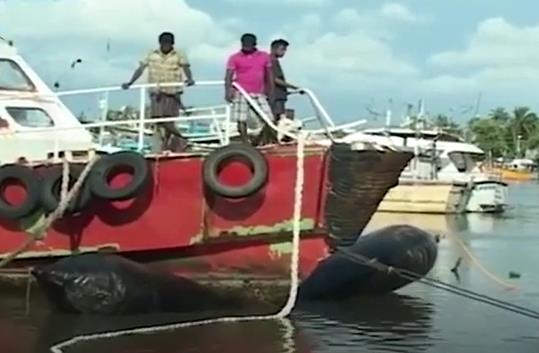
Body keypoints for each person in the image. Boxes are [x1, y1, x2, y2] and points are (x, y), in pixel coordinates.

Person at [122, 32, 194, 152]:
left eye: (168, 44)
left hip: (173, 92)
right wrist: (130, 83)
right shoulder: (151, 54)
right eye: (164, 43)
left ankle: (168, 146)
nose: (166, 46)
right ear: (160, 43)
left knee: (169, 120)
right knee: (158, 119)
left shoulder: (179, 54)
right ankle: (182, 140)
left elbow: (186, 68)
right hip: (156, 92)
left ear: (172, 44)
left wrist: (190, 79)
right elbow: (141, 69)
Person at [224, 33, 274, 143]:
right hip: (241, 92)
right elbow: (228, 75)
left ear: (254, 44)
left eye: (248, 44)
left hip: (259, 92)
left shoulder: (264, 56)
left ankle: (261, 141)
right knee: (241, 119)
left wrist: (271, 90)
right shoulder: (234, 58)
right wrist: (228, 91)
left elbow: (269, 74)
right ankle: (245, 142)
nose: (245, 46)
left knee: (269, 119)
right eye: (244, 44)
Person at [269, 38, 302, 121]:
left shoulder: (274, 61)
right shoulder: (271, 61)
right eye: (282, 49)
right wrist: (295, 87)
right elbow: (274, 79)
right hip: (276, 96)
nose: (284, 52)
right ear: (274, 49)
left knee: (280, 117)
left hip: (279, 94)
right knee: (278, 118)